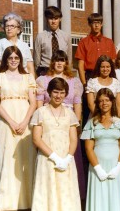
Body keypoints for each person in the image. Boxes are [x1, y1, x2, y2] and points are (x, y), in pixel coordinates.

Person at [28, 77, 85, 211]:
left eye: (62, 92)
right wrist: (53, 157)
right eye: (55, 92)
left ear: (66, 94)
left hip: (66, 162)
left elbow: (74, 138)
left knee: (66, 199)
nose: (58, 95)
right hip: (48, 161)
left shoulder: (70, 114)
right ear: (49, 93)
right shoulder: (41, 112)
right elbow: (37, 139)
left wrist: (68, 157)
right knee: (49, 198)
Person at [0, 46, 36, 211]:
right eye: (10, 58)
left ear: (20, 60)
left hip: (25, 118)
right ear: (5, 59)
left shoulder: (28, 77)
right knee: (7, 155)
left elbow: (33, 103)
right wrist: (11, 122)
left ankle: (27, 198)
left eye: (16, 58)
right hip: (6, 119)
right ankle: (8, 199)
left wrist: (24, 122)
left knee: (25, 156)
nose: (13, 60)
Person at [36, 50, 86, 199]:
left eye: (62, 60)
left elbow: (77, 105)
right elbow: (39, 106)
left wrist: (75, 126)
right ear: (52, 62)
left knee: (70, 158)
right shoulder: (43, 80)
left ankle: (71, 195)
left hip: (67, 122)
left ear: (66, 63)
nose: (59, 63)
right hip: (49, 123)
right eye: (57, 60)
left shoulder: (74, 81)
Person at [75, 13, 116, 123]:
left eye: (98, 23)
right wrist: (84, 83)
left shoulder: (109, 42)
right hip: (90, 76)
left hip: (106, 76)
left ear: (102, 24)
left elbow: (112, 63)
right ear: (89, 24)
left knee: (107, 105)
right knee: (89, 109)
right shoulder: (84, 42)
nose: (96, 25)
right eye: (94, 23)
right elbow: (80, 65)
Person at [34, 6, 72, 76]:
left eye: (56, 18)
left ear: (60, 19)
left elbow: (69, 57)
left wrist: (67, 72)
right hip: (45, 71)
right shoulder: (40, 36)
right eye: (51, 18)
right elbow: (37, 59)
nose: (53, 21)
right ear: (47, 19)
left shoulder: (66, 36)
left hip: (62, 71)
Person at [86, 55, 120, 119]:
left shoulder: (116, 82)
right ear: (99, 68)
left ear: (111, 68)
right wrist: (100, 119)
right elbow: (90, 104)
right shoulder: (92, 82)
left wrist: (117, 119)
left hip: (112, 118)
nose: (105, 69)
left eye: (108, 67)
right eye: (102, 67)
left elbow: (119, 105)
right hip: (96, 117)